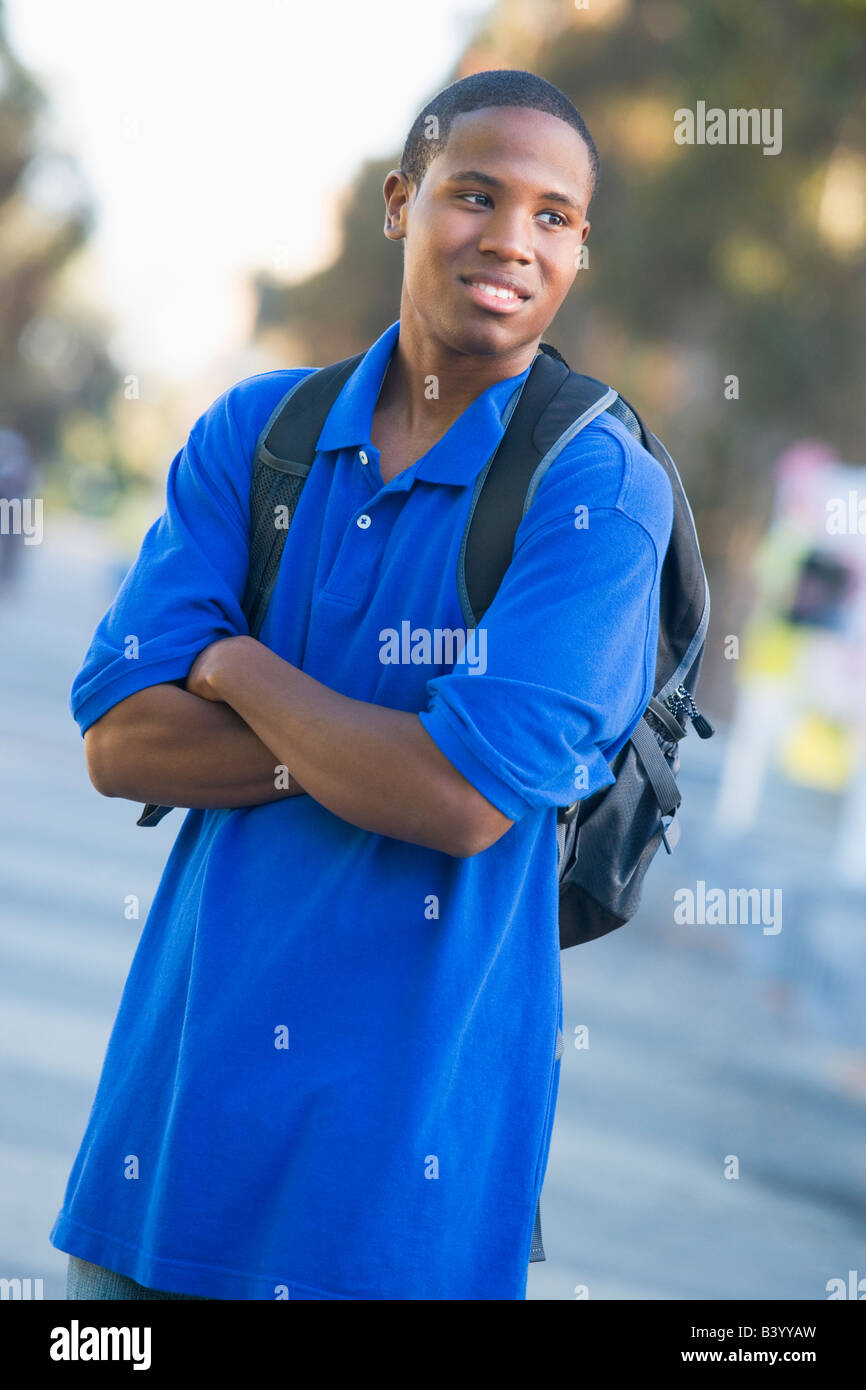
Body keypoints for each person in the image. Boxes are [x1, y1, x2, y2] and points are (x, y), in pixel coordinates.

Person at [52, 68, 673, 1300]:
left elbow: (458, 802)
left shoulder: (595, 491)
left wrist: (230, 665)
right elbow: (121, 742)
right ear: (401, 202)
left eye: (553, 216)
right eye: (475, 195)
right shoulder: (256, 434)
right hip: (164, 1146)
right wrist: (384, 749)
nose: (509, 240)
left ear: (581, 250)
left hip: (401, 1202)